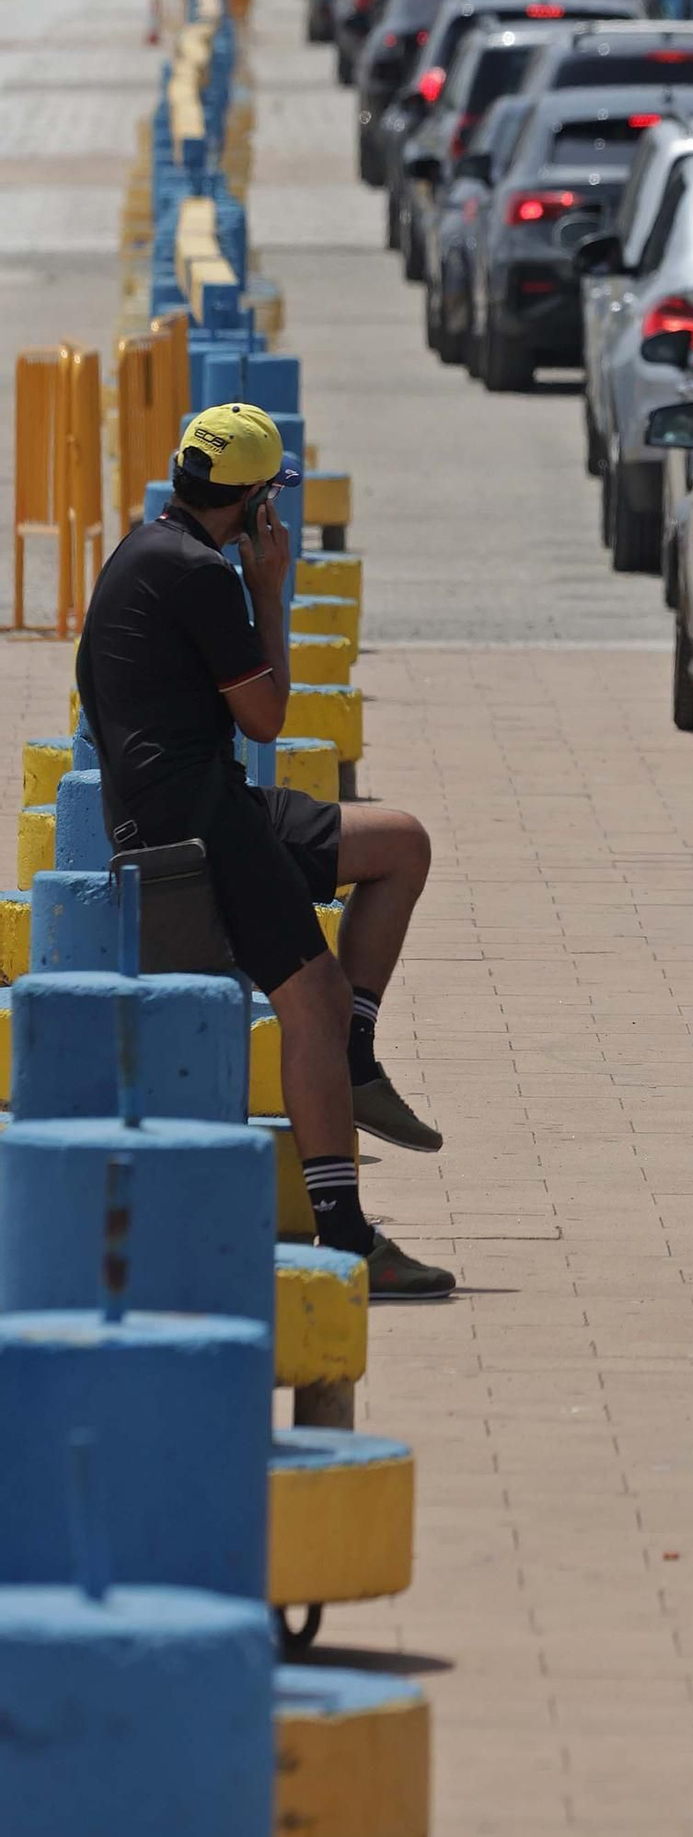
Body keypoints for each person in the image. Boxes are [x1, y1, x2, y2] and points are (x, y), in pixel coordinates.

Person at [75, 404, 454, 1302]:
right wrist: (269, 589)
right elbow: (269, 717)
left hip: (208, 802)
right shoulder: (203, 575)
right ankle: (348, 1237)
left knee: (400, 844)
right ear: (253, 504)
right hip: (194, 825)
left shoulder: (146, 548)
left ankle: (354, 1061)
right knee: (310, 998)